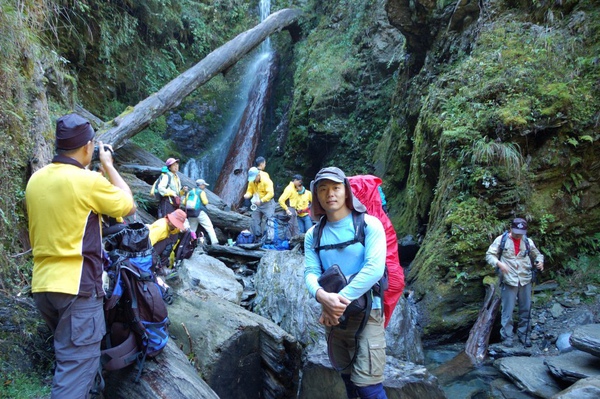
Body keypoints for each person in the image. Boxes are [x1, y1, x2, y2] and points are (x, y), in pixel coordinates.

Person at [25, 113, 136, 399]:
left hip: (43, 287)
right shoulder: (86, 181)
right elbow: (128, 205)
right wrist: (108, 165)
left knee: (74, 361)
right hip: (77, 288)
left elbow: (74, 209)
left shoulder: (36, 180)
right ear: (88, 147)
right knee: (74, 372)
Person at [304, 167, 388, 399]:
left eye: (335, 187)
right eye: (323, 189)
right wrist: (322, 296)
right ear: (317, 196)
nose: (330, 193)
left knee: (369, 387)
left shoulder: (369, 225)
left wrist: (338, 300)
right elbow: (310, 271)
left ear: (346, 191)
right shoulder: (313, 234)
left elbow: (374, 269)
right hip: (333, 317)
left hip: (367, 313)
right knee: (348, 381)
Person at [486, 217, 544, 347]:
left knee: (526, 309)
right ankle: (507, 337)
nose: (518, 235)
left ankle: (524, 335)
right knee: (508, 311)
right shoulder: (501, 240)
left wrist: (540, 262)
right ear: (511, 228)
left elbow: (538, 255)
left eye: (521, 233)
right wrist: (499, 264)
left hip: (526, 279)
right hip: (509, 280)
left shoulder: (528, 242)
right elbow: (489, 255)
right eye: (516, 232)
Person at [149, 209, 188, 274]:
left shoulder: (170, 226)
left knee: (173, 238)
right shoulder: (161, 227)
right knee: (169, 242)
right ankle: (159, 266)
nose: (175, 225)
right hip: (147, 250)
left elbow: (174, 230)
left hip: (153, 249)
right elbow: (148, 242)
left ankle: (160, 265)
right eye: (175, 223)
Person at [243, 166, 275, 242]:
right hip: (256, 203)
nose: (253, 180)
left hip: (267, 203)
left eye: (254, 178)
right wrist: (247, 195)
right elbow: (250, 191)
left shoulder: (266, 180)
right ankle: (257, 237)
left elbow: (271, 193)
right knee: (255, 219)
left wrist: (261, 201)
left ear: (258, 175)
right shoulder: (251, 181)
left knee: (270, 220)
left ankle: (270, 239)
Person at [184, 179, 219, 245]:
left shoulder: (190, 192)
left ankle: (188, 244)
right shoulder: (201, 192)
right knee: (209, 227)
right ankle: (215, 242)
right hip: (200, 212)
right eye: (204, 185)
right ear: (201, 185)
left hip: (191, 213)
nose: (205, 187)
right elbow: (205, 202)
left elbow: (184, 202)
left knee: (191, 230)